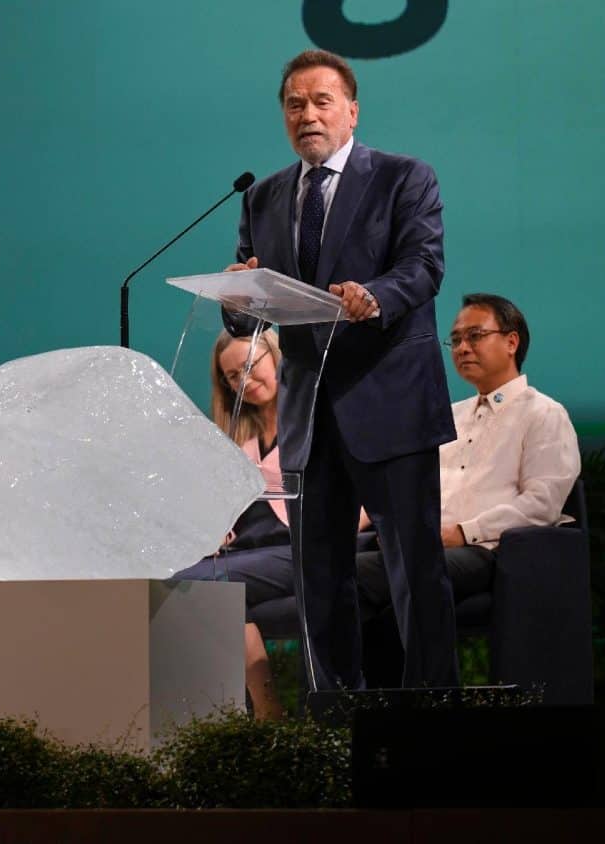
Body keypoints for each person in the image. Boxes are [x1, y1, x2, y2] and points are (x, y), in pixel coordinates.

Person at [224, 49, 458, 690]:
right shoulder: (264, 197)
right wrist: (237, 300)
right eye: (294, 104)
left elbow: (425, 266)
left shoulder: (404, 178)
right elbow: (251, 313)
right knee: (318, 577)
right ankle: (335, 723)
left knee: (414, 571)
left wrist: (375, 295)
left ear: (352, 111)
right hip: (308, 416)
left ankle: (436, 718)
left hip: (390, 405)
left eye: (322, 101)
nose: (308, 114)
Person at [356, 294, 580, 633]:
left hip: (489, 551)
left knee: (345, 579)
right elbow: (418, 486)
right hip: (428, 547)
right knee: (334, 575)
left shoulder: (544, 414)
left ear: (511, 342)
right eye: (456, 339)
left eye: (475, 336)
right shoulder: (449, 416)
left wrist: (463, 532)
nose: (462, 348)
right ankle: (359, 685)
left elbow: (541, 504)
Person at [175, 329, 291, 719]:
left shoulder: (315, 421)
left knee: (215, 586)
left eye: (249, 366)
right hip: (247, 547)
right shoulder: (238, 435)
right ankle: (222, 714)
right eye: (232, 376)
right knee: (178, 578)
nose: (244, 381)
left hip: (296, 543)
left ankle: (267, 712)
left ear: (276, 357)